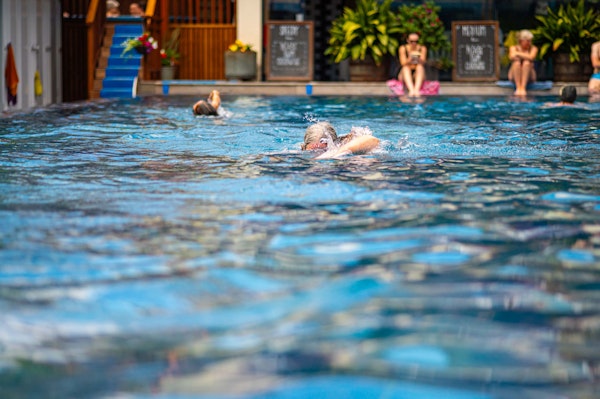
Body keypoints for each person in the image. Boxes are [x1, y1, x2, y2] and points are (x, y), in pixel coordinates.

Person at [301, 121, 380, 159]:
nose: (317, 154)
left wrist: (335, 154)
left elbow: (372, 140)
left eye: (323, 150)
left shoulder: (341, 146)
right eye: (312, 151)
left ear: (334, 144)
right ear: (304, 148)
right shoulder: (297, 155)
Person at [508, 30, 538, 96]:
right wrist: (525, 56)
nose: (529, 43)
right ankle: (518, 87)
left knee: (526, 63)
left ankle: (523, 87)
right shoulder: (513, 48)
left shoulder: (533, 48)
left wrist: (518, 54)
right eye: (527, 41)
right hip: (514, 75)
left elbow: (531, 57)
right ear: (521, 41)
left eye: (530, 41)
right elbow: (512, 56)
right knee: (516, 63)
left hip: (530, 76)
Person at [398, 33, 427, 98]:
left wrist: (418, 58)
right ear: (408, 40)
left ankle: (416, 90)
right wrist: (410, 59)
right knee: (405, 68)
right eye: (412, 41)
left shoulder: (422, 48)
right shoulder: (403, 48)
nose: (414, 43)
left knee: (420, 67)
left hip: (417, 73)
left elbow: (423, 62)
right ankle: (411, 90)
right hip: (405, 73)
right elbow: (402, 63)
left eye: (416, 41)